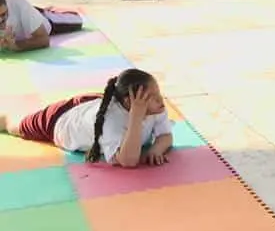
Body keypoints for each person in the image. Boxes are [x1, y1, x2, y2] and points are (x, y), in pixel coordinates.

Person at [0, 68, 173, 167]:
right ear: (131, 102)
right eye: (153, 96)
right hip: (60, 120)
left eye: (159, 93)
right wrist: (136, 118)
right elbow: (128, 161)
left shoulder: (154, 108)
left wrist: (156, 149)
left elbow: (165, 135)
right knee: (12, 124)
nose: (160, 99)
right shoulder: (112, 121)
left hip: (92, 103)